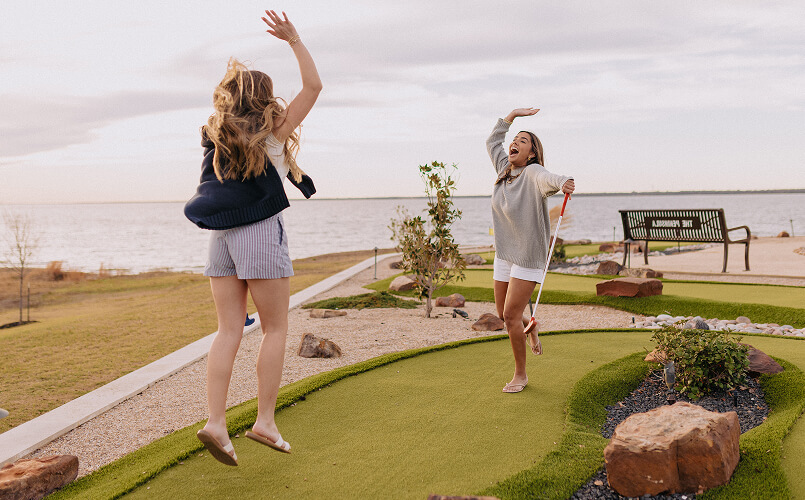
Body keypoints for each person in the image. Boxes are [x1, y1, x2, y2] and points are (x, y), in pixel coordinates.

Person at [183, 10, 322, 466]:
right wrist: (295, 40)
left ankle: (216, 422)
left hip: (220, 235)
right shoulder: (272, 136)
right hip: (260, 230)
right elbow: (314, 88)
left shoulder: (215, 137)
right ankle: (264, 421)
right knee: (276, 327)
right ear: (265, 102)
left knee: (228, 329)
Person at [486, 107, 575, 393]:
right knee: (503, 314)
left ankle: (520, 374)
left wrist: (562, 182)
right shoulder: (504, 170)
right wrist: (511, 116)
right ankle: (531, 326)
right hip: (505, 253)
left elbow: (547, 179)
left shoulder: (533, 172)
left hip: (528, 256)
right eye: (515, 139)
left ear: (532, 153)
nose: (515, 142)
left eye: (523, 141)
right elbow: (492, 142)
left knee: (511, 317)